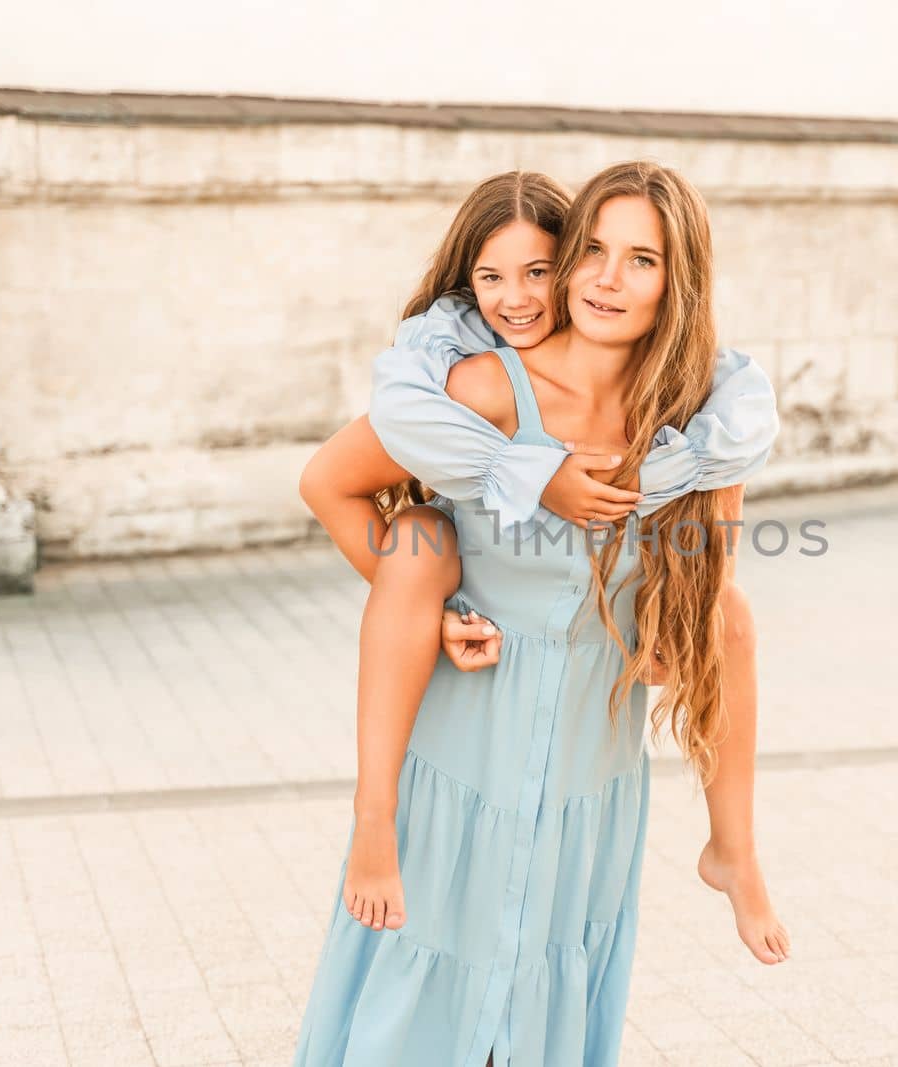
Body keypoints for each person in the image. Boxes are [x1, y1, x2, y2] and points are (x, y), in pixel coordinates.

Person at [293, 162, 784, 1066]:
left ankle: (734, 849)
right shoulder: (483, 388)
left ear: (680, 281)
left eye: (641, 260)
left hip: (589, 758)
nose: (605, 277)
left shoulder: (697, 418)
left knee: (731, 614)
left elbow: (704, 573)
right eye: (592, 251)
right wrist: (433, 615)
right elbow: (332, 482)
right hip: (467, 738)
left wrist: (674, 633)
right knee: (433, 976)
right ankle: (374, 824)